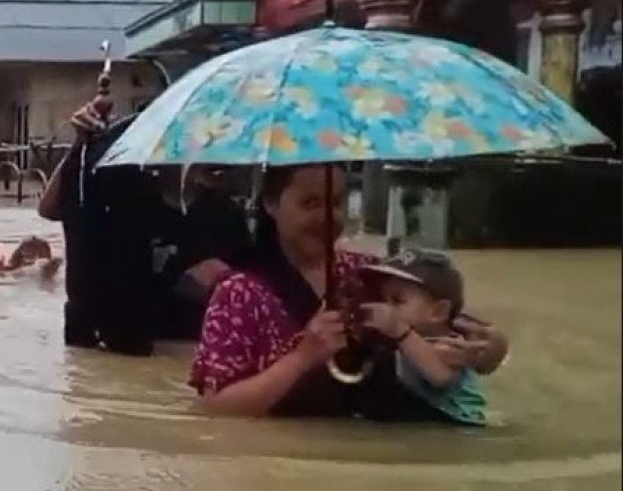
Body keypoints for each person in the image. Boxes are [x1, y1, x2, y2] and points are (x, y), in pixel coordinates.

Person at [190, 165, 510, 419]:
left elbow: (447, 324)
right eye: (310, 203)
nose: (328, 217)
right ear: (271, 205)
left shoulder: (369, 275)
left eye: (337, 202)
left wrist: (491, 350)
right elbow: (217, 410)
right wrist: (303, 357)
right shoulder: (238, 294)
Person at [37, 97, 155, 354]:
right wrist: (80, 145)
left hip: (150, 336)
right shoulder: (113, 174)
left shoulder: (212, 209)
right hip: (96, 330)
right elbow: (49, 208)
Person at [357, 249, 487, 425]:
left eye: (397, 301)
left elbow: (440, 377)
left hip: (455, 427)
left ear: (438, 312)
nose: (386, 308)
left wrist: (400, 330)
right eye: (383, 299)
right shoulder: (396, 342)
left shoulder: (451, 345)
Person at [144, 165, 252, 341]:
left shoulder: (223, 210)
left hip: (210, 331)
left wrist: (224, 278)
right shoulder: (139, 207)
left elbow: (247, 267)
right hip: (154, 332)